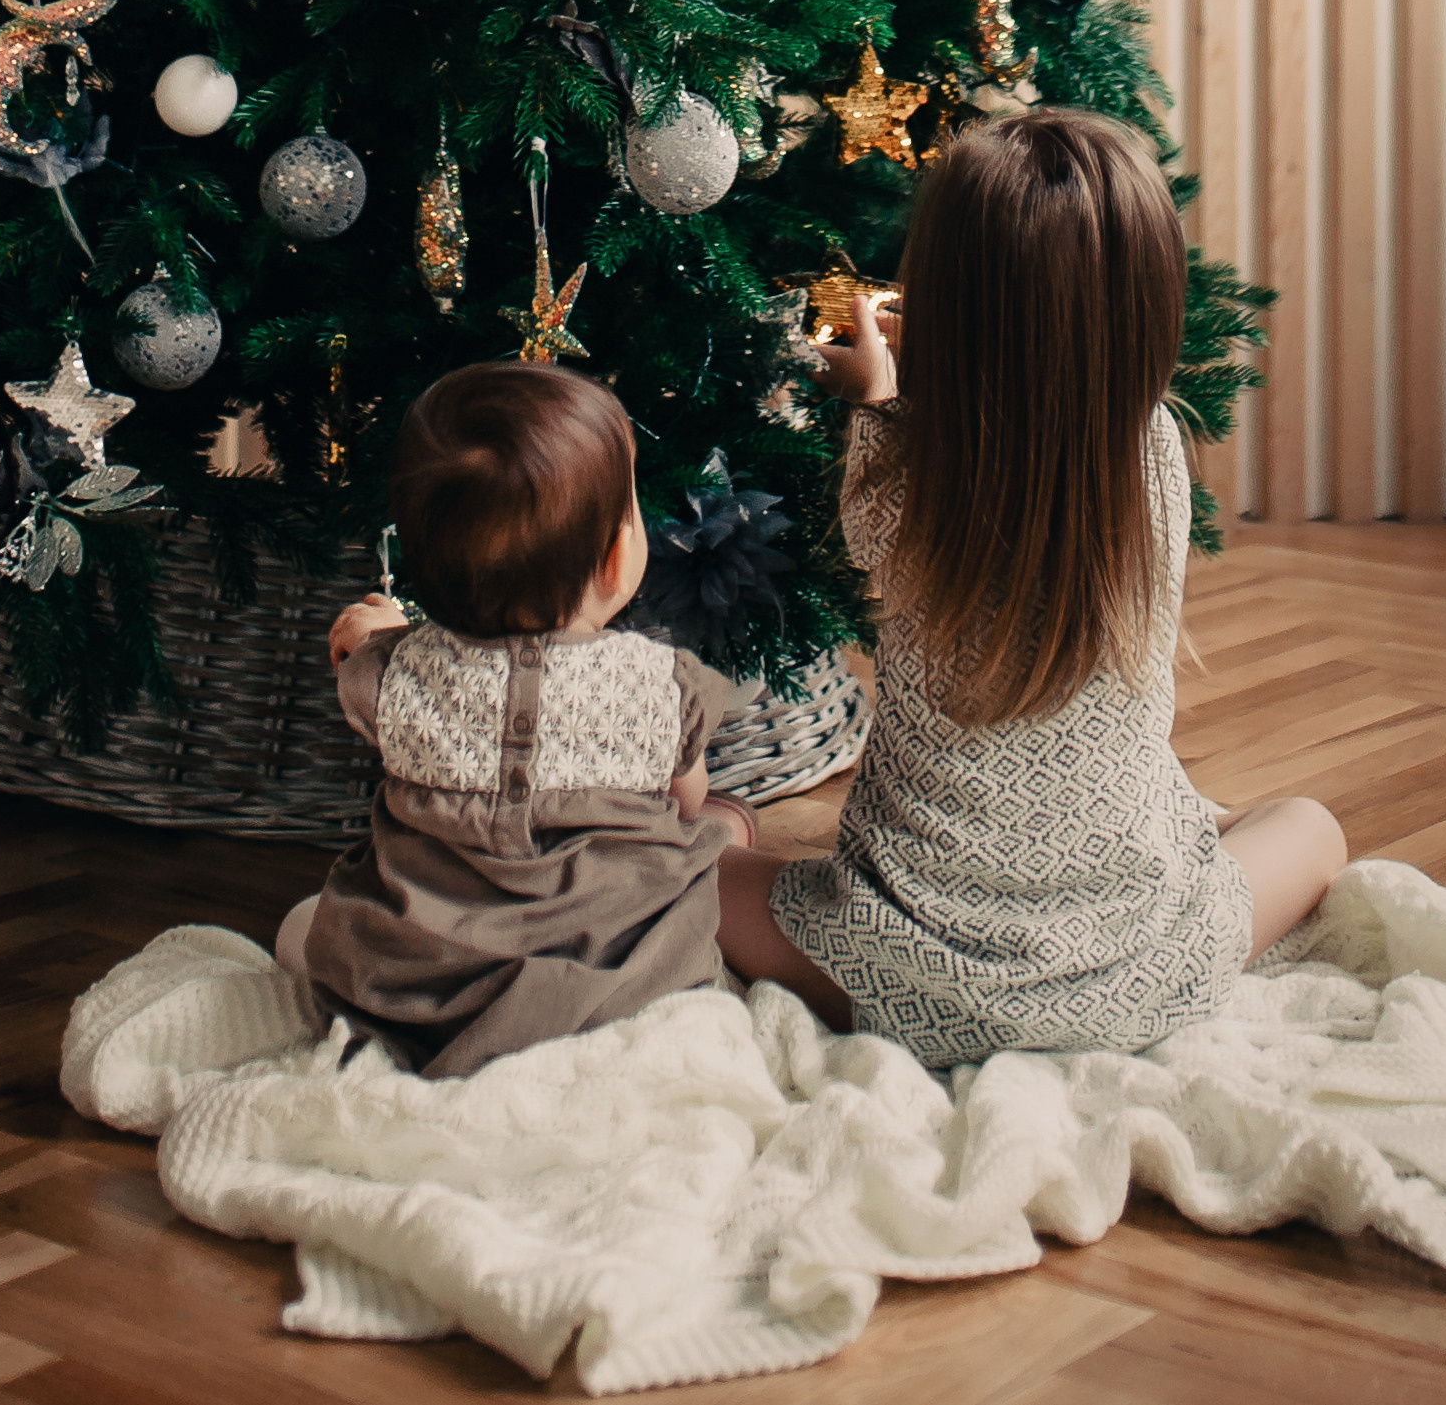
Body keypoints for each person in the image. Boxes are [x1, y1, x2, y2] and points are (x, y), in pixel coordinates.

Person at [718, 109, 1345, 1064]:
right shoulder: (1155, 452)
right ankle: (1175, 822)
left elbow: (909, 491)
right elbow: (1039, 413)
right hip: (1139, 969)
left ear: (946, 301)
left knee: (698, 868)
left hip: (906, 968)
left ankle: (724, 834)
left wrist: (874, 396)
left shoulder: (893, 475)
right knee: (1312, 827)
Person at [279, 361, 751, 1075]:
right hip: (620, 988)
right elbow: (686, 800)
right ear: (616, 556)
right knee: (713, 829)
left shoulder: (394, 671)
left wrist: (379, 633)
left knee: (305, 926)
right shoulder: (664, 684)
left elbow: (371, 656)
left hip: (428, 998)